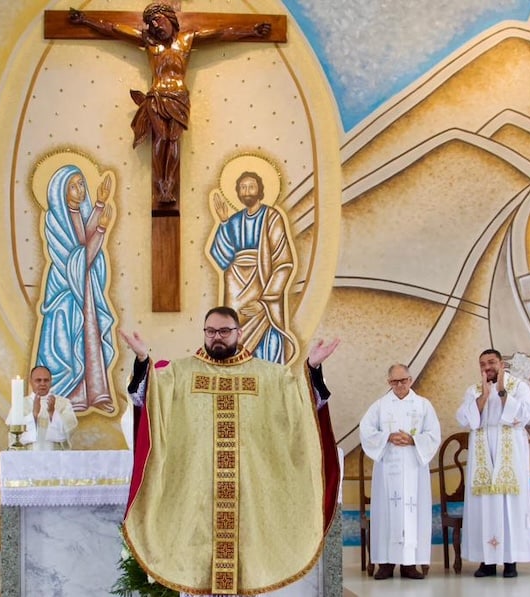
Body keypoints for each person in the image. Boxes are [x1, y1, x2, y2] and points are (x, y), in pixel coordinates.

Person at [118, 306, 340, 596]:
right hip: (196, 499)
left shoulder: (268, 376)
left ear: (239, 332)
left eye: (224, 331)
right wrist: (142, 360)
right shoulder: (180, 373)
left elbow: (301, 401)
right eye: (210, 331)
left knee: (246, 575)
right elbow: (148, 398)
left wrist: (312, 368)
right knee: (197, 576)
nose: (217, 337)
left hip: (249, 500)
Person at [69, 4, 271, 204]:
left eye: (158, 19)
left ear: (170, 18)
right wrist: (86, 20)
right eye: (151, 23)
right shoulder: (148, 41)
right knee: (161, 138)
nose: (155, 26)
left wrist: (251, 30)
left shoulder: (187, 39)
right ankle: (160, 184)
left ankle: (170, 184)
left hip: (179, 97)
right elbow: (114, 29)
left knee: (173, 140)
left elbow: (221, 34)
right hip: (157, 96)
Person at [35, 165, 116, 413]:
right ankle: (71, 395)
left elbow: (83, 244)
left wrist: (99, 205)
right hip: (65, 292)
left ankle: (95, 393)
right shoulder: (54, 220)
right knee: (69, 343)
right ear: (61, 191)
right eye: (73, 186)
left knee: (89, 336)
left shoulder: (78, 214)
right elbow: (76, 260)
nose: (80, 190)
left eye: (81, 184)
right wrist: (101, 229)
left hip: (83, 287)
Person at [456, 349, 530, 579]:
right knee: (485, 505)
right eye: (482, 364)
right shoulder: (474, 390)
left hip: (510, 450)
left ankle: (510, 560)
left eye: (491, 362)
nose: (487, 367)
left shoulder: (518, 387)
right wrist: (483, 396)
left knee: (510, 504)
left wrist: (501, 391)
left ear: (501, 364)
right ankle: (487, 561)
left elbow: (525, 414)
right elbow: (465, 419)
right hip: (483, 452)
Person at [359, 364, 441, 580]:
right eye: (395, 381)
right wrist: (387, 437)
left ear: (410, 380)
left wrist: (413, 440)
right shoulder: (380, 406)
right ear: (389, 383)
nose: (400, 385)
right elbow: (366, 430)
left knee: (413, 513)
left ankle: (409, 564)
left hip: (414, 467)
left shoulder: (423, 405)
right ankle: (385, 564)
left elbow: (433, 434)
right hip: (388, 468)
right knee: (385, 514)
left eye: (403, 380)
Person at [210, 170, 297, 363]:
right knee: (233, 339)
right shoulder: (234, 220)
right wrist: (223, 223)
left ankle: (268, 376)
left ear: (260, 190)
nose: (246, 191)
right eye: (242, 188)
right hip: (236, 287)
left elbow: (283, 263)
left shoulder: (272, 217)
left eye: (251, 187)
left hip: (262, 284)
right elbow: (222, 257)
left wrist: (264, 301)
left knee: (267, 341)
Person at [6, 366, 78, 450]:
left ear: (51, 381)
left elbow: (71, 427)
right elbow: (13, 433)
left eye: (46, 380)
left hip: (55, 454)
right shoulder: (20, 404)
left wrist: (53, 413)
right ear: (31, 381)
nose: (42, 383)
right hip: (28, 454)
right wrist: (34, 415)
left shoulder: (63, 403)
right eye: (38, 380)